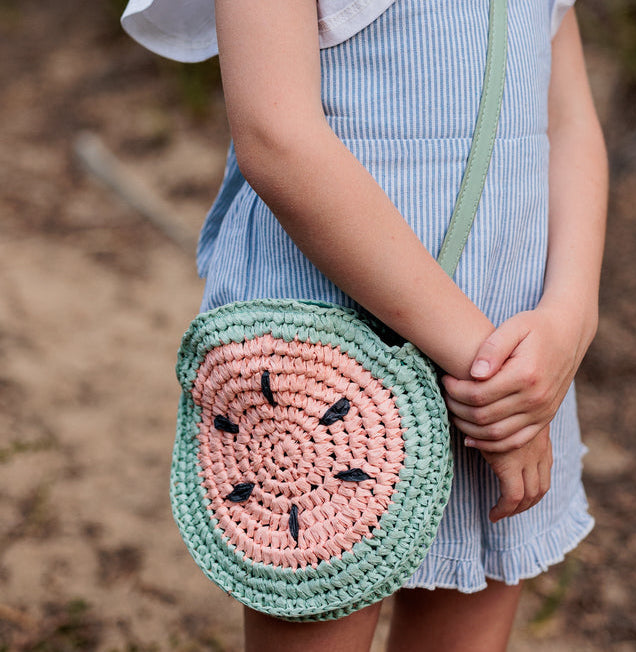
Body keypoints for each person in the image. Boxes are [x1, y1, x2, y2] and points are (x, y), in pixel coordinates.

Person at [121, 1, 608, 650]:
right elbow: (277, 135)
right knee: (320, 605)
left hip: (515, 332)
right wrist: (489, 372)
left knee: (468, 617)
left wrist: (571, 316)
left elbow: (569, 118)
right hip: (331, 342)